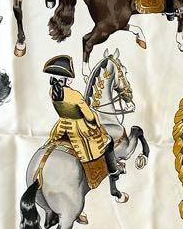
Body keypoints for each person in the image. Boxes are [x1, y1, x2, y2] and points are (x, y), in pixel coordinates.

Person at [43, 55, 126, 202]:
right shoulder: (74, 95)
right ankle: (114, 171)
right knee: (107, 141)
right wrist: (95, 122)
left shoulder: (52, 92)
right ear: (68, 80)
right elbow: (89, 116)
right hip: (79, 128)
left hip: (62, 126)